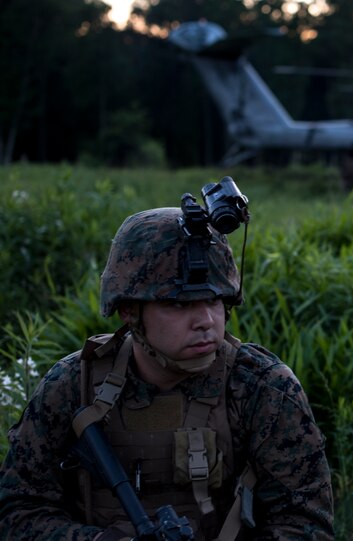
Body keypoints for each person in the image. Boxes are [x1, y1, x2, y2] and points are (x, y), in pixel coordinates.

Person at [0, 188, 334, 540]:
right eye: (179, 305)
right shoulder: (73, 385)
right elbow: (17, 511)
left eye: (215, 300)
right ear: (130, 311)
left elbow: (305, 524)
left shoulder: (262, 387)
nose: (206, 320)